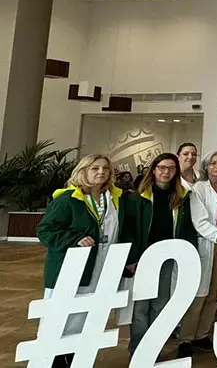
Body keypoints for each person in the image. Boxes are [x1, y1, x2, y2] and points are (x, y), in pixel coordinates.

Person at [37, 154, 126, 368]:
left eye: (105, 168)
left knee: (87, 315)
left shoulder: (113, 198)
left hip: (101, 266)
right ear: (83, 171)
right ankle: (54, 359)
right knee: (62, 317)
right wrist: (74, 239)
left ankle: (75, 356)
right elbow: (45, 231)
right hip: (71, 269)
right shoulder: (68, 199)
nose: (101, 172)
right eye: (94, 168)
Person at [122, 153, 197, 358]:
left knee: (160, 302)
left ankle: (152, 347)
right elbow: (128, 229)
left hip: (169, 257)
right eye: (162, 167)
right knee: (140, 307)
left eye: (171, 168)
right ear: (154, 169)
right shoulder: (138, 197)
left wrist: (188, 255)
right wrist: (131, 258)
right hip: (143, 258)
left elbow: (188, 227)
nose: (166, 172)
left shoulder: (182, 197)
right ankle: (137, 350)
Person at [182, 150, 217, 358]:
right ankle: (186, 337)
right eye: (213, 163)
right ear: (206, 167)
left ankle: (203, 333)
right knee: (199, 293)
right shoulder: (198, 189)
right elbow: (199, 220)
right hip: (206, 242)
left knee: (214, 292)